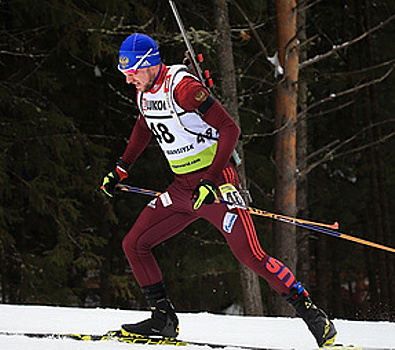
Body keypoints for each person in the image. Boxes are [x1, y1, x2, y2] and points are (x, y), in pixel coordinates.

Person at [100, 33, 337, 348]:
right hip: (182, 187)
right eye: (123, 72)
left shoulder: (182, 88)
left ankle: (312, 314)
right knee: (135, 243)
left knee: (250, 255)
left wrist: (211, 182)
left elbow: (230, 129)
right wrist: (121, 167)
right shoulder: (144, 91)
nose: (128, 78)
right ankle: (163, 319)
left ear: (150, 63)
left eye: (132, 71)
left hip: (216, 181)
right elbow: (144, 126)